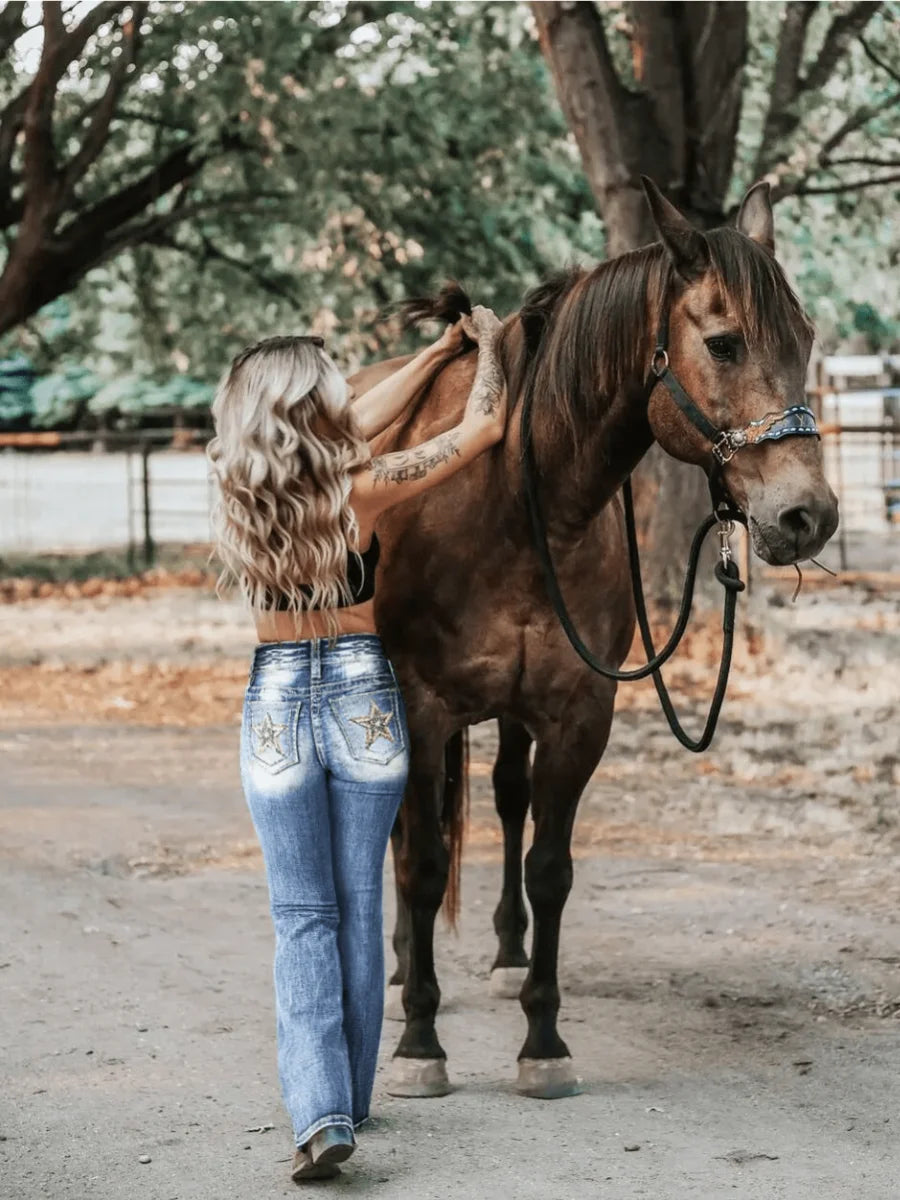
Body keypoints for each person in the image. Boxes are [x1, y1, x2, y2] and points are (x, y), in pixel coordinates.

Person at [206, 306, 505, 1182]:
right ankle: (354, 1100)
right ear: (318, 409)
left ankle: (322, 1112)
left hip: (276, 703)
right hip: (362, 701)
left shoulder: (232, 477)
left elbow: (343, 425)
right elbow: (482, 428)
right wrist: (483, 349)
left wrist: (431, 353)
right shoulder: (360, 487)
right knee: (358, 900)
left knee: (301, 916)